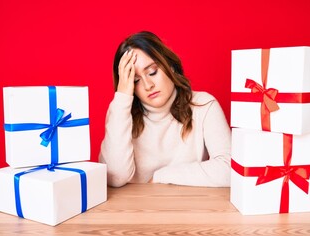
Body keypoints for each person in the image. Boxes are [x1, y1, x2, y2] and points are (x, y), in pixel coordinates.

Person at [99, 31, 231, 187]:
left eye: (152, 72)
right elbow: (115, 178)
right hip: (135, 209)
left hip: (189, 207)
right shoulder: (120, 112)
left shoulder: (204, 105)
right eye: (135, 81)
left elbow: (229, 170)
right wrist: (122, 98)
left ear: (170, 66)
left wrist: (162, 176)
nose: (148, 85)